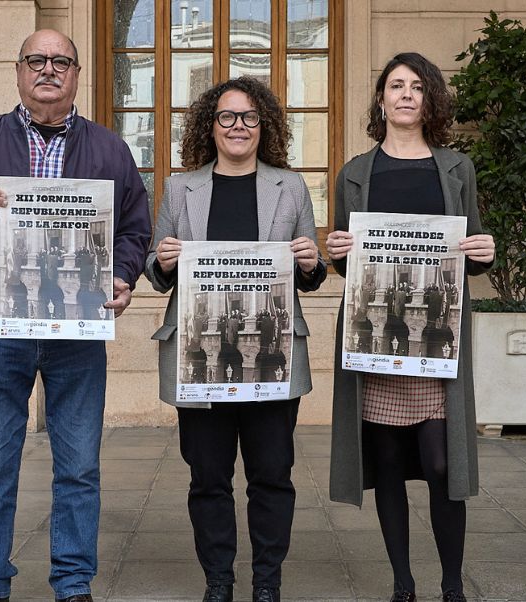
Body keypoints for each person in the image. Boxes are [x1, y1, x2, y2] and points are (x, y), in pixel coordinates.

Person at [0, 29, 151, 602]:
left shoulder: (110, 150)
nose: (49, 70)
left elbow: (135, 230)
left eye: (61, 62)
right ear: (19, 70)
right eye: (37, 61)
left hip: (77, 333)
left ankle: (73, 585)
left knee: (79, 468)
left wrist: (122, 276)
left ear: (76, 74)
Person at [145, 77, 327, 602]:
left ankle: (266, 582)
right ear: (211, 125)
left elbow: (308, 268)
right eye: (227, 117)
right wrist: (162, 261)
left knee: (272, 476)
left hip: (272, 353)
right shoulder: (182, 187)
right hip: (200, 354)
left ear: (263, 124)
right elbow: (156, 271)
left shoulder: (289, 186)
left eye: (248, 117)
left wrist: (312, 264)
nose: (238, 126)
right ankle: (218, 582)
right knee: (208, 479)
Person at [325, 53, 495, 602]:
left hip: (437, 342)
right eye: (395, 85)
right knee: (390, 465)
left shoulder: (455, 167)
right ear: (381, 99)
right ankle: (403, 584)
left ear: (430, 99)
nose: (405, 94)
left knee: (444, 464)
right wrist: (336, 251)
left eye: (417, 86)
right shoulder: (354, 172)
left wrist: (485, 251)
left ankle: (452, 585)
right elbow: (345, 261)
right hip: (376, 337)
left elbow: (473, 249)